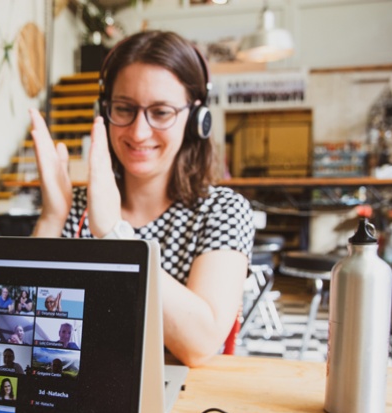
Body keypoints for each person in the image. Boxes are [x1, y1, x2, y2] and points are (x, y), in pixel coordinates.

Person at [30, 30, 253, 366]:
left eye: (161, 112)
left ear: (196, 119)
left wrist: (115, 235)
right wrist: (51, 217)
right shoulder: (75, 209)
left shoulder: (223, 210)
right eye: (124, 109)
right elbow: (28, 326)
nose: (138, 132)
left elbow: (201, 345)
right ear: (105, 110)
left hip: (180, 394)